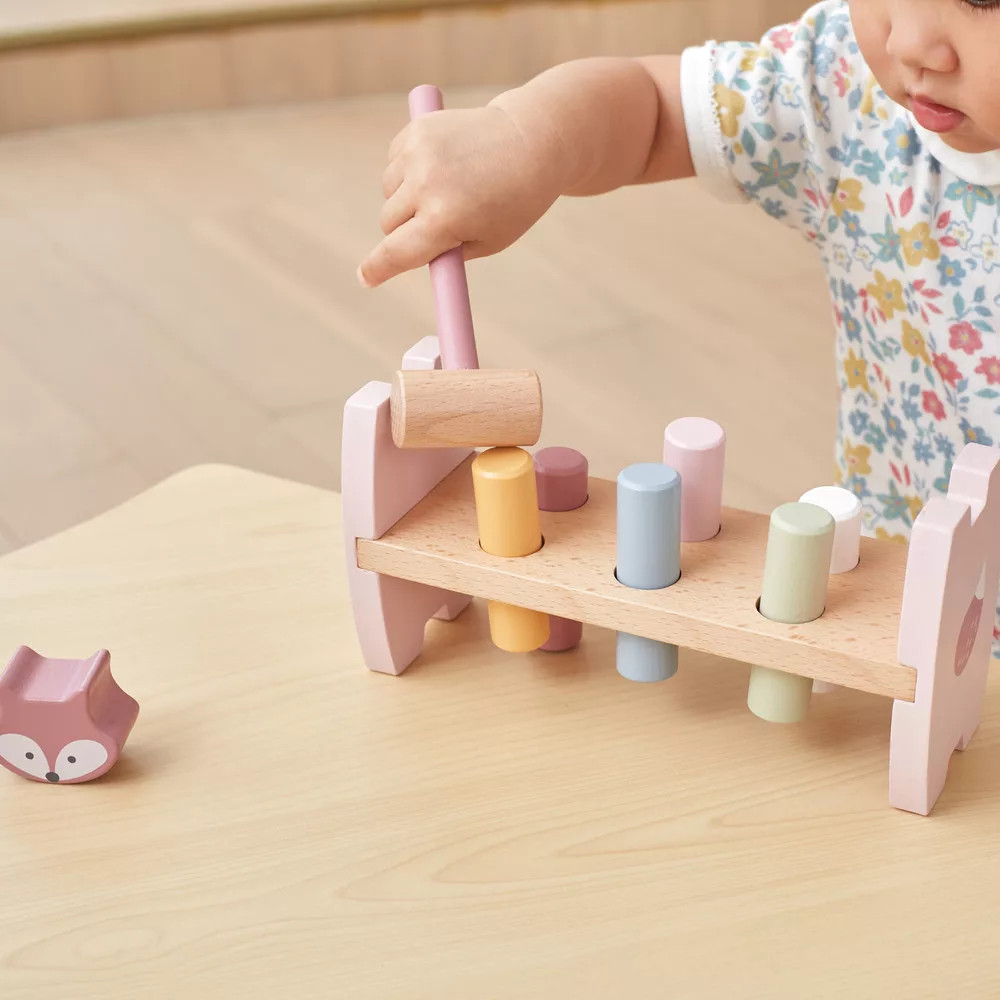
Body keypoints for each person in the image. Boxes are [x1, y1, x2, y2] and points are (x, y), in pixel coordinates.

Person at [357, 0, 1000, 615]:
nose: (907, 42)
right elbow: (660, 110)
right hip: (898, 592)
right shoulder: (842, 88)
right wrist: (528, 136)